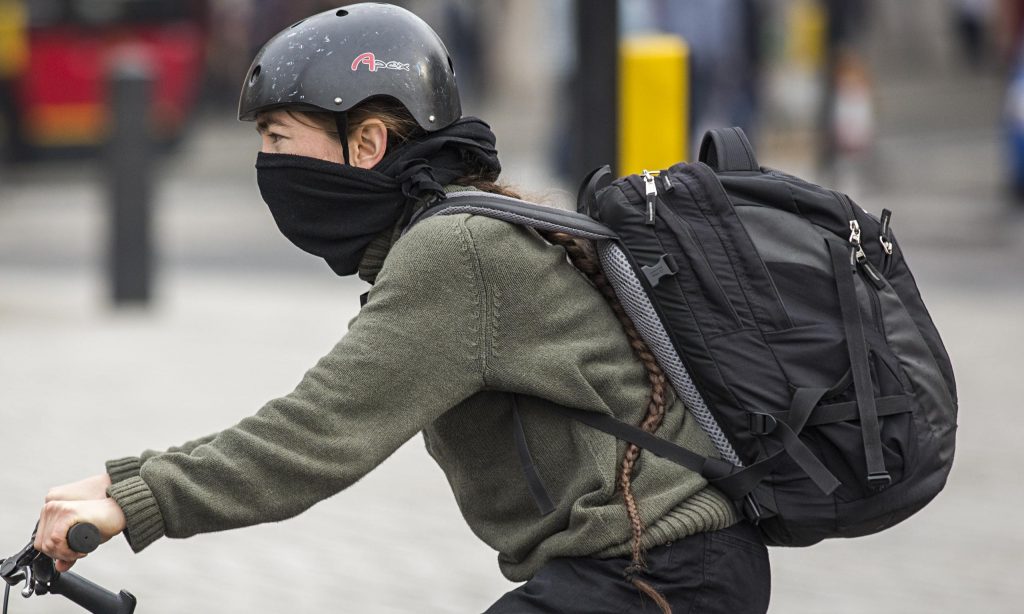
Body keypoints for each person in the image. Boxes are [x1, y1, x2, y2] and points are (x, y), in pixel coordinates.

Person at [32, 3, 770, 612]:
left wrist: (138, 500)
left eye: (279, 138)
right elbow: (320, 416)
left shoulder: (457, 251)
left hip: (658, 575)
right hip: (651, 570)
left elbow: (316, 437)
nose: (270, 165)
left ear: (368, 143)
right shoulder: (458, 228)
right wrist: (124, 479)